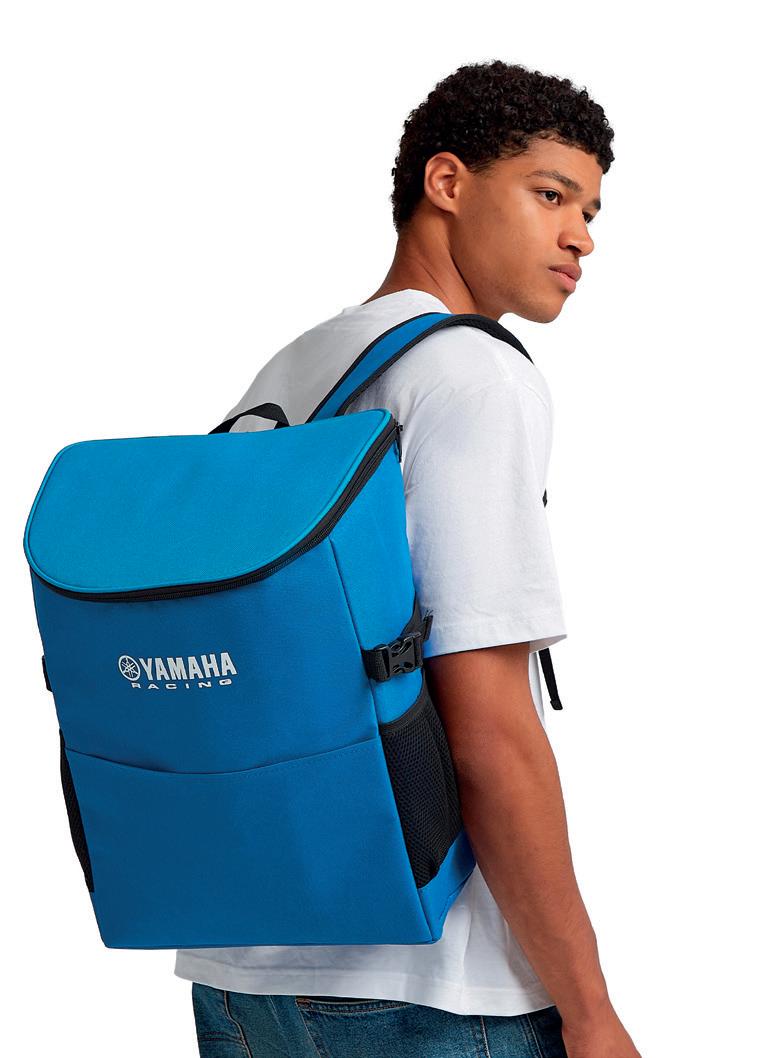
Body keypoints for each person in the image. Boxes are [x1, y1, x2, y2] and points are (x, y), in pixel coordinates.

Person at [178, 59, 642, 1057]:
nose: (581, 235)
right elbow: (488, 728)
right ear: (447, 183)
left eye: (591, 210)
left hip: (240, 970)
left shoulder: (299, 366)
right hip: (425, 987)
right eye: (550, 194)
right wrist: (591, 1009)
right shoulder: (470, 375)